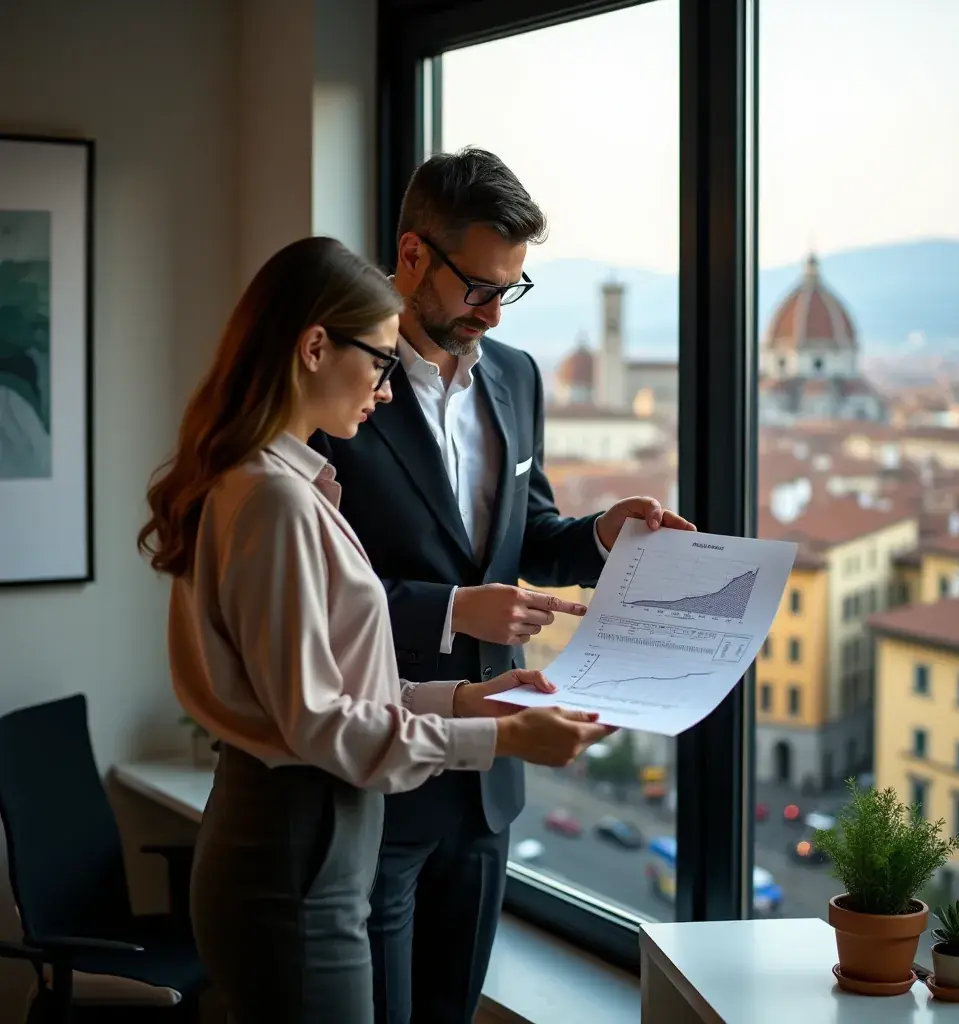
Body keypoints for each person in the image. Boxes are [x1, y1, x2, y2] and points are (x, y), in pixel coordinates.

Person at [136, 236, 612, 1024]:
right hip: (299, 852)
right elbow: (323, 723)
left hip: (305, 844)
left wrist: (469, 699)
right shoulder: (275, 501)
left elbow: (332, 690)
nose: (388, 390)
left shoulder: (282, 484)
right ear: (315, 347)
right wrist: (503, 740)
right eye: (382, 363)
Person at [308, 148, 696, 1024]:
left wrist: (604, 533)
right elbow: (320, 592)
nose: (490, 313)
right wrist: (450, 609)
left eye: (509, 291)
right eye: (478, 287)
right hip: (382, 757)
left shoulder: (516, 378)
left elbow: (531, 539)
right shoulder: (339, 385)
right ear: (411, 256)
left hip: (492, 784)